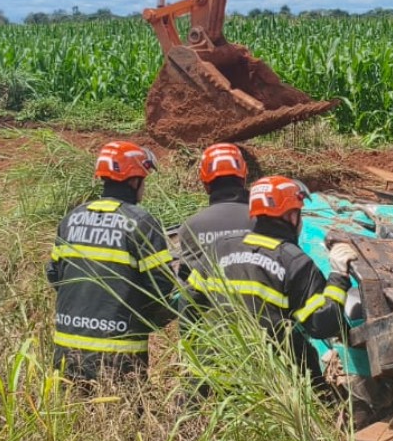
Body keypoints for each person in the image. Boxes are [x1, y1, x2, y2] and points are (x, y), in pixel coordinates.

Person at [187, 175, 359, 378]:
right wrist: (338, 276)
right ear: (290, 216)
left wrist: (192, 353)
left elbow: (189, 303)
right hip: (270, 379)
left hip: (213, 370)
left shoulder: (220, 247)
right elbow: (322, 325)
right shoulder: (295, 262)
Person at [47, 140, 175, 381]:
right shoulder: (141, 221)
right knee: (124, 416)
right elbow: (162, 286)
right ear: (134, 180)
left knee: (73, 417)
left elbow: (54, 275)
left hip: (67, 351)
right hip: (119, 357)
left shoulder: (71, 218)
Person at [176, 143, 252, 278]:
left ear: (205, 185)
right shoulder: (264, 221)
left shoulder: (190, 228)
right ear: (244, 178)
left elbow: (186, 282)